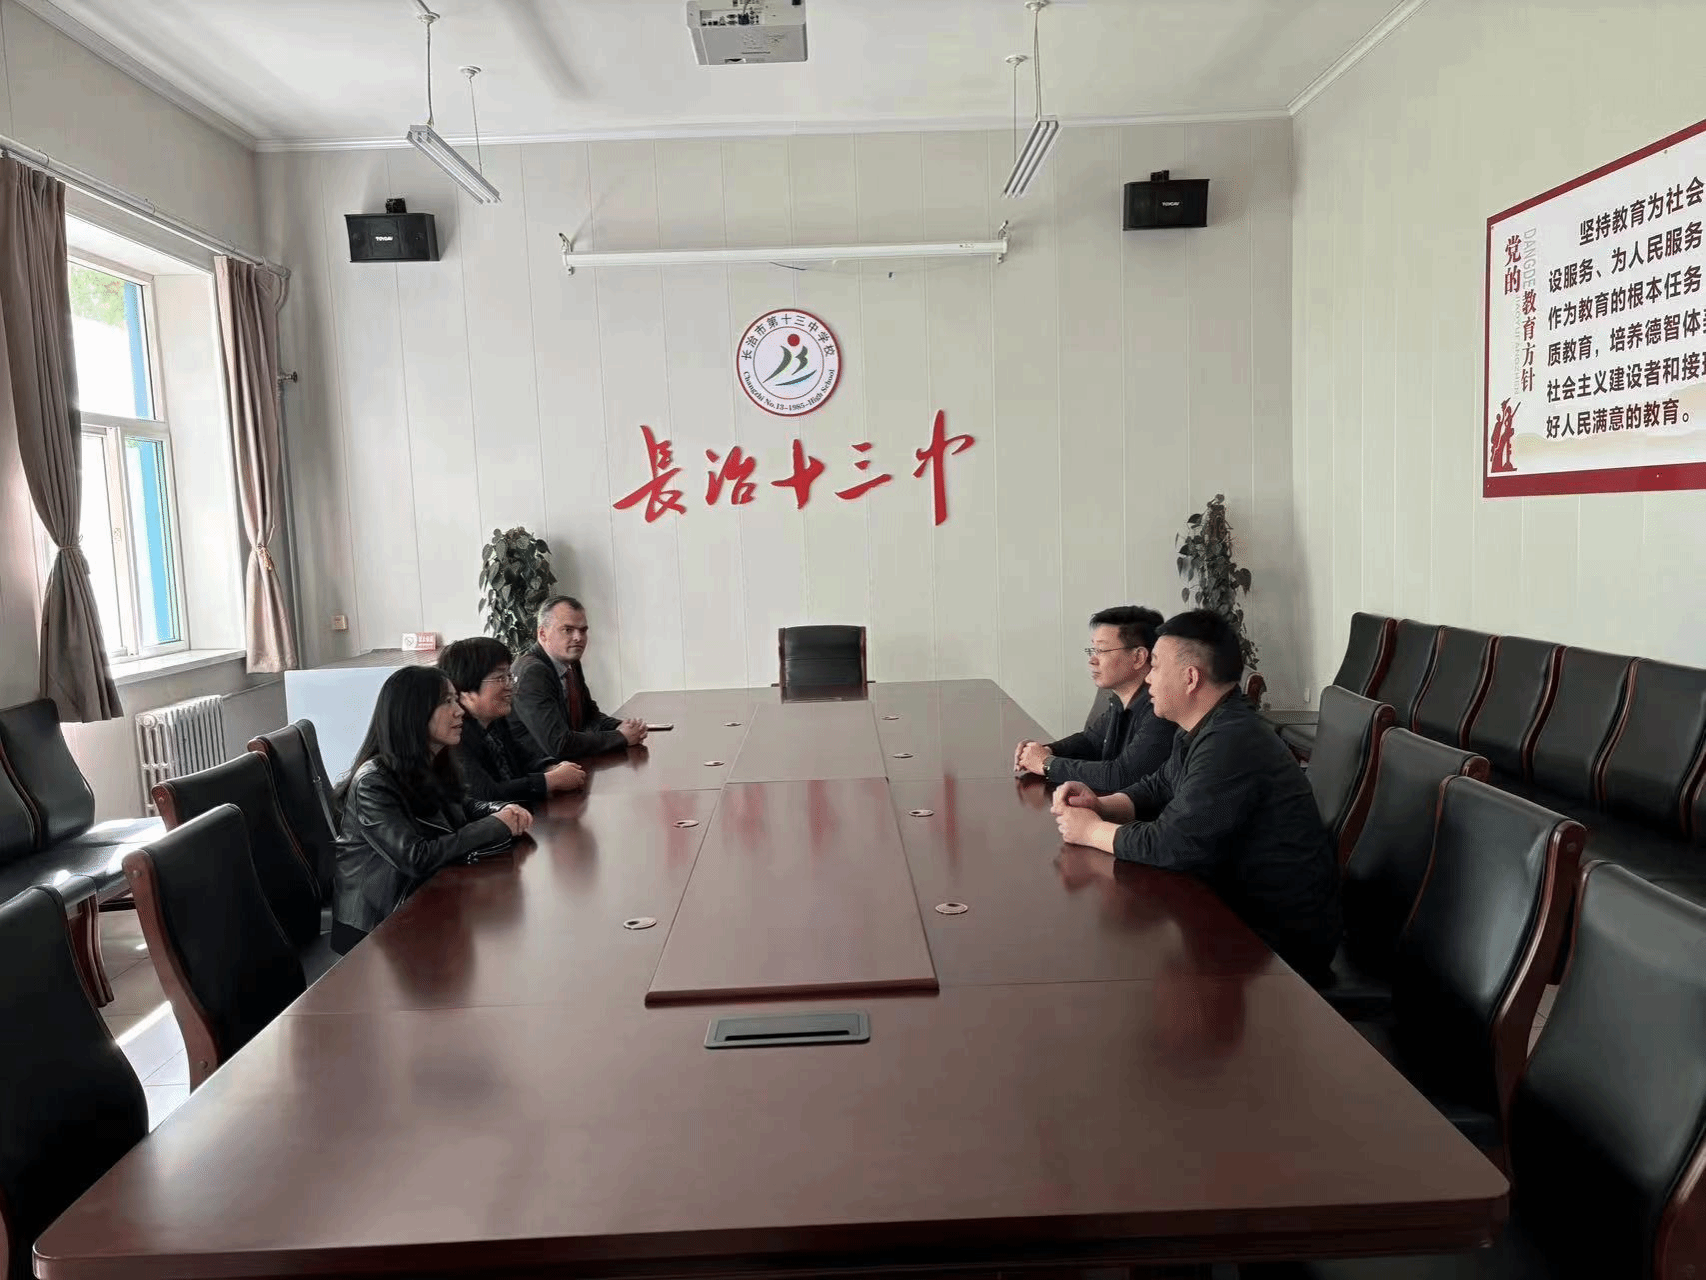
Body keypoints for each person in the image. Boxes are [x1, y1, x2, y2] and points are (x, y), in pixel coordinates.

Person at [1051, 609, 1341, 985]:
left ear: (1190, 678)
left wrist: (1091, 831)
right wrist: (1101, 804)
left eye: (1156, 666)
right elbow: (1159, 785)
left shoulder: (1231, 741)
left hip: (1277, 943)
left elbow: (1173, 844)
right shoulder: (1205, 725)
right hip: (1232, 907)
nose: (1148, 677)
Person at [331, 665, 533, 954]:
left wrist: (502, 810)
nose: (459, 711)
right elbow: (415, 857)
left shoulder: (432, 760)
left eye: (456, 700)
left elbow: (464, 806)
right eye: (446, 702)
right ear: (413, 713)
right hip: (376, 928)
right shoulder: (373, 781)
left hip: (422, 902)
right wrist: (496, 824)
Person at [1013, 605, 1175, 790]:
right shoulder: (1120, 701)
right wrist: (1045, 751)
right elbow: (1090, 741)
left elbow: (1122, 775)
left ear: (1138, 657)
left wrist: (1047, 764)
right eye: (1093, 650)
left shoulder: (1160, 710)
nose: (1092, 660)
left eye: (1102, 650)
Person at [438, 636, 587, 803]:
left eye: (509, 676)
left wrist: (551, 767)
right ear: (466, 690)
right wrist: (550, 781)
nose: (510, 685)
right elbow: (487, 794)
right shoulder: (454, 736)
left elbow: (523, 759)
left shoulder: (494, 722)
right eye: (500, 678)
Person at [511, 596, 647, 760]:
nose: (578, 637)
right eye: (568, 630)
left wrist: (621, 726)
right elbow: (558, 744)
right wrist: (621, 737)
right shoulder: (533, 672)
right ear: (542, 634)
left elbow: (590, 715)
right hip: (539, 770)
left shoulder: (571, 663)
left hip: (569, 764)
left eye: (583, 630)